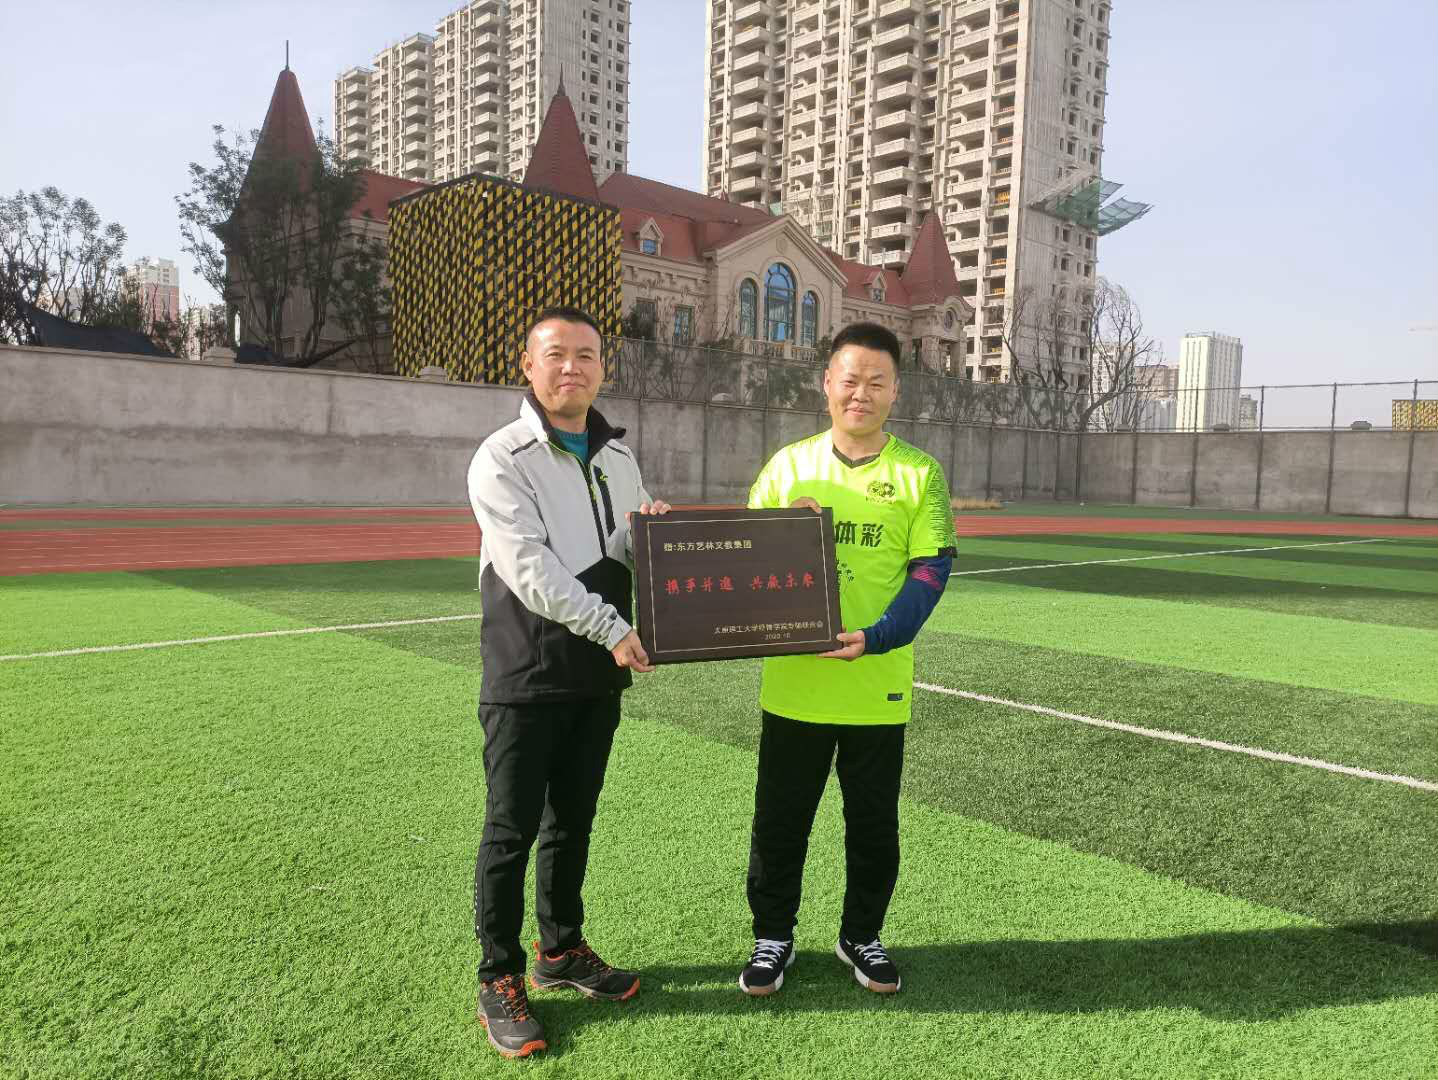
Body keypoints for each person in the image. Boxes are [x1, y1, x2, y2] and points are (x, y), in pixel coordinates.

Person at [466, 305, 669, 1059]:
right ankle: (498, 974)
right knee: (511, 828)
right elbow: (529, 568)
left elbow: (620, 544)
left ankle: (560, 950)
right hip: (526, 668)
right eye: (555, 355)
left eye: (586, 355)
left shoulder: (619, 457)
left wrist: (653, 533)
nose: (571, 368)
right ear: (528, 366)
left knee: (572, 820)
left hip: (595, 671)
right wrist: (613, 628)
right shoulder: (502, 456)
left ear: (602, 368)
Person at [738, 321, 957, 998]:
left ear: (896, 391)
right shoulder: (787, 468)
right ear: (826, 383)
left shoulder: (919, 474)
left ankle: (861, 934)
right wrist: (782, 528)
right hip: (794, 685)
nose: (861, 393)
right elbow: (743, 563)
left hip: (876, 686)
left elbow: (931, 572)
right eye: (850, 380)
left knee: (872, 826)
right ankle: (772, 936)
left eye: (876, 382)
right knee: (781, 823)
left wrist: (879, 635)